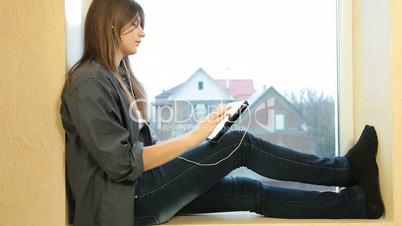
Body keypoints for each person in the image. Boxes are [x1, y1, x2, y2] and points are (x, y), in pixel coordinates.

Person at [60, 0, 384, 226]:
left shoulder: (118, 77)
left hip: (139, 192)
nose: (142, 32)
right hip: (125, 203)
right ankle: (344, 170)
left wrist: (200, 136)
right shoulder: (89, 82)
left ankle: (357, 204)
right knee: (239, 144)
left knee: (247, 190)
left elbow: (140, 150)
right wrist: (193, 138)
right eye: (134, 24)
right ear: (111, 24)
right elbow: (121, 163)